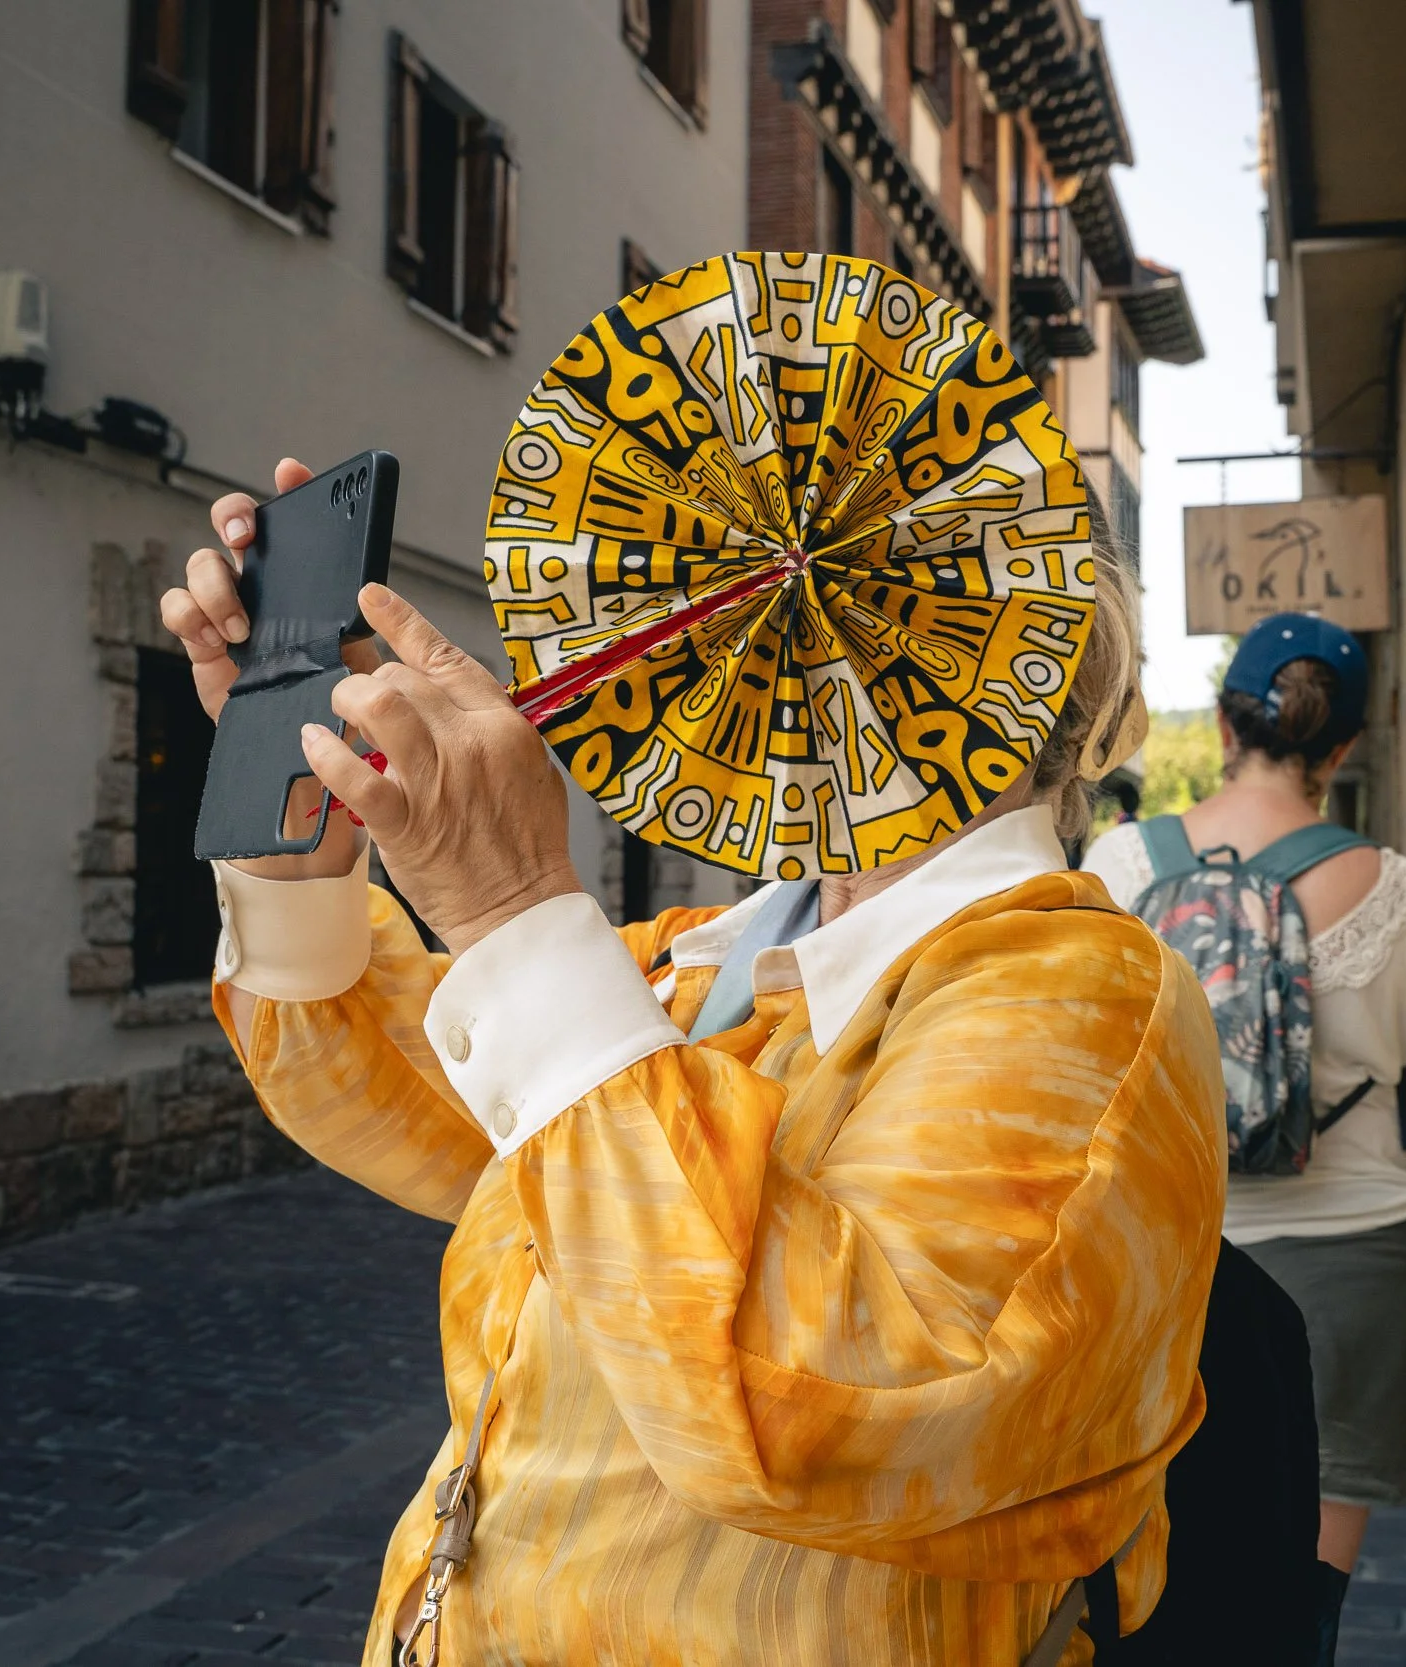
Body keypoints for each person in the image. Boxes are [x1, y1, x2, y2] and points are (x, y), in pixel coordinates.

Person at [158, 460, 1225, 1666]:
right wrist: (302, 799)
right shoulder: (703, 953)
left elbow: (833, 1399)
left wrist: (515, 905)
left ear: (1032, 644)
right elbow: (430, 1097)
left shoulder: (1083, 987)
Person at [1080, 614, 1406, 1589]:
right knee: (1302, 1598)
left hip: (1163, 1260)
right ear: (1342, 744)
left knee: (1154, 1580)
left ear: (1224, 724)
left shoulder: (1118, 867)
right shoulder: (1404, 892)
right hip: (1352, 1268)